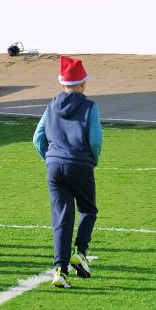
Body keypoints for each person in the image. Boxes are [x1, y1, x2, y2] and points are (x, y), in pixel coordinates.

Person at [33, 56, 101, 289]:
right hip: (80, 164)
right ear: (82, 84)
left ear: (62, 83)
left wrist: (50, 158)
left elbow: (37, 138)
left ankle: (59, 271)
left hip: (54, 166)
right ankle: (80, 252)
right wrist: (92, 160)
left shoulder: (50, 105)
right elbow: (95, 140)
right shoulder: (89, 107)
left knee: (61, 219)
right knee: (88, 210)